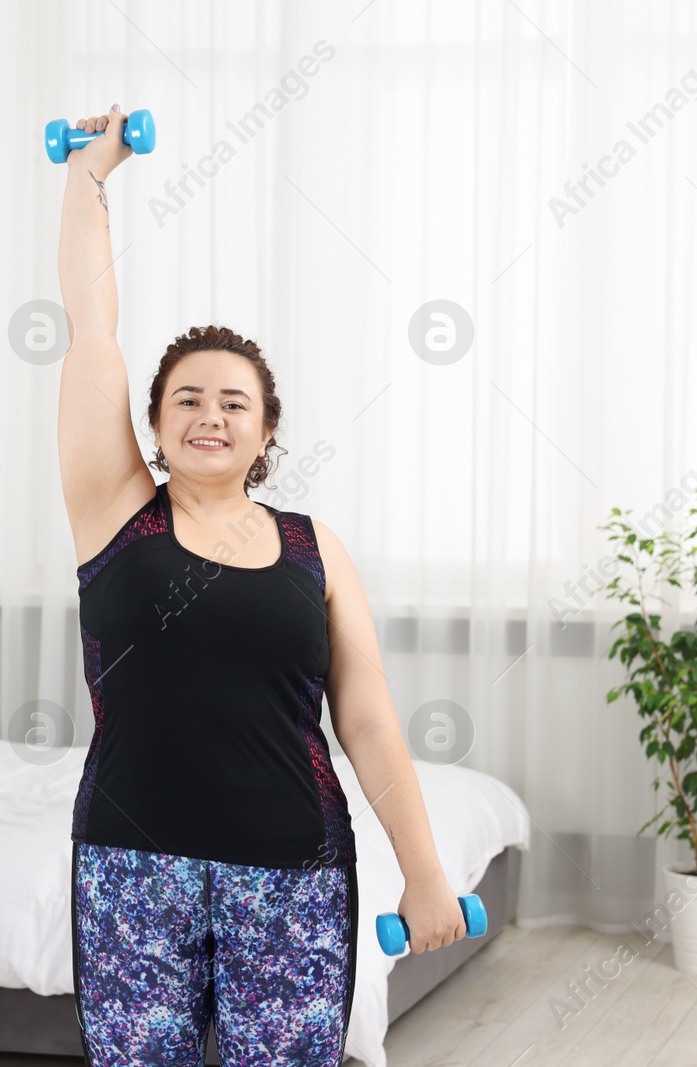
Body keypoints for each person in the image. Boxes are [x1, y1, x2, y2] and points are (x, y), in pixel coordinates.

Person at [57, 103, 465, 1067]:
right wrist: (87, 177)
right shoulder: (116, 514)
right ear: (153, 427)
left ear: (267, 432)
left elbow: (366, 722)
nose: (210, 413)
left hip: (293, 873)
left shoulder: (313, 547)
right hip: (129, 867)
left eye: (234, 401)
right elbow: (93, 331)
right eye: (186, 398)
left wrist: (425, 872)